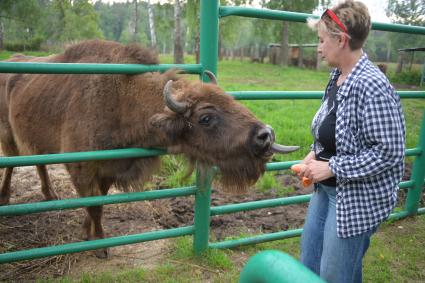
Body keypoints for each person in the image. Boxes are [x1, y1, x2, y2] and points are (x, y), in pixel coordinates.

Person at [297, 1, 406, 282]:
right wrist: (314, 155)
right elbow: (333, 130)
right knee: (309, 264)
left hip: (356, 200)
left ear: (341, 40)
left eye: (322, 40)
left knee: (335, 275)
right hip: (327, 191)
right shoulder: (338, 76)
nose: (319, 47)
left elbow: (389, 153)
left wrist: (331, 167)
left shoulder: (373, 87)